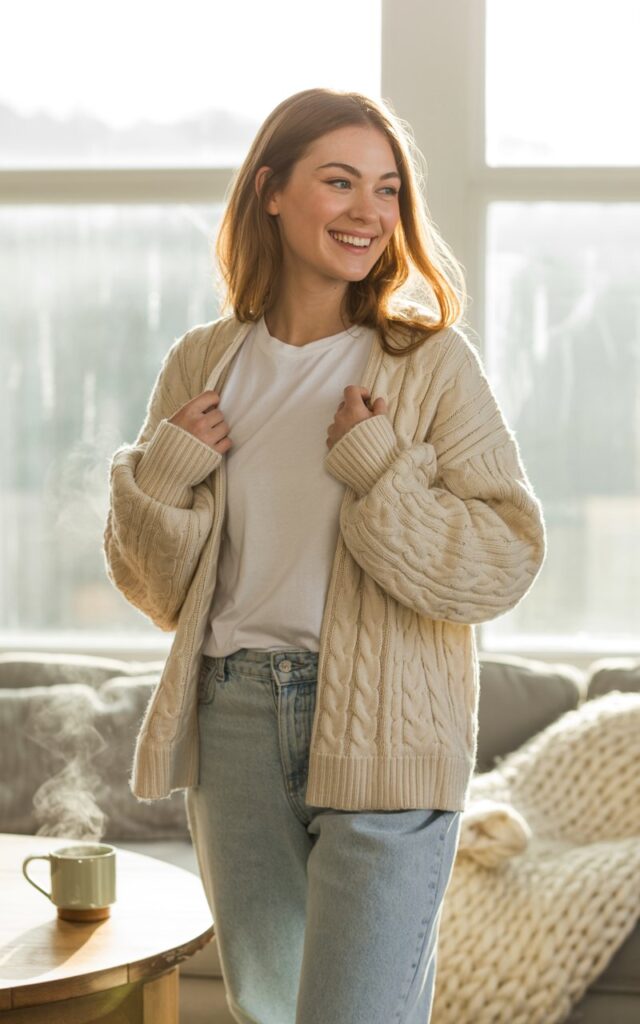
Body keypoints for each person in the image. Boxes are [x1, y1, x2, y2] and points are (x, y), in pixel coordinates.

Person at [103, 87, 547, 1024]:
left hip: (388, 724)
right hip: (233, 719)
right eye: (338, 181)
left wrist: (379, 472)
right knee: (268, 1013)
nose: (367, 212)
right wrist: (170, 471)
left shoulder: (431, 366)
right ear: (270, 191)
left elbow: (503, 561)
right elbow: (157, 589)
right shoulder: (203, 363)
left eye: (386, 190)